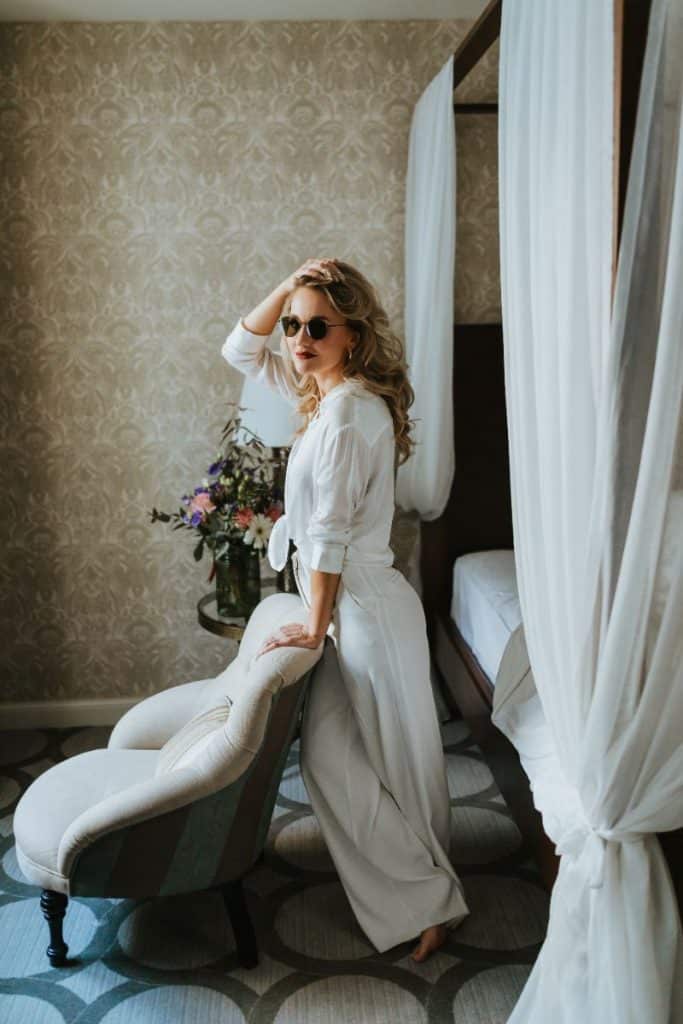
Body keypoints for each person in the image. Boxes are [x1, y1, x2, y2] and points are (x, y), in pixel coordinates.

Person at [221, 257, 469, 961]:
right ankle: (423, 894)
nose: (297, 337)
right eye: (294, 324)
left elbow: (327, 535)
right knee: (330, 761)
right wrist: (285, 283)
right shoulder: (325, 395)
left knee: (398, 762)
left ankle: (430, 899)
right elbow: (239, 348)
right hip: (342, 606)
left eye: (316, 325)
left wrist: (314, 622)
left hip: (364, 610)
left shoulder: (349, 414)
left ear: (352, 335)